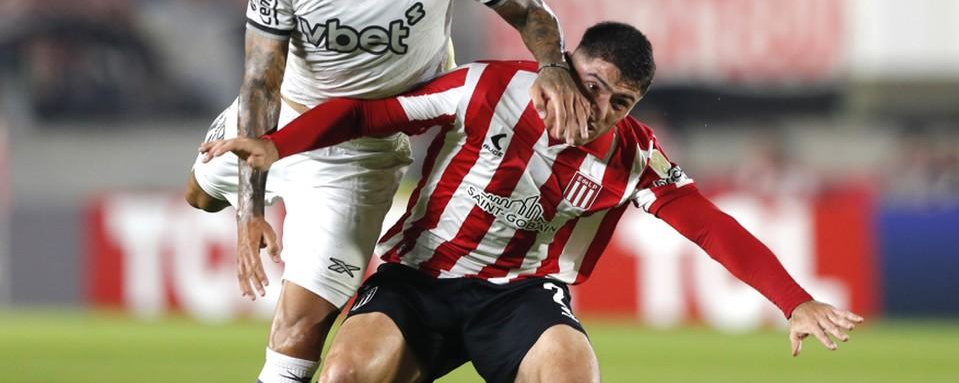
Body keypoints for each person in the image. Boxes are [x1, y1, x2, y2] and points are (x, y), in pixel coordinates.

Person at [201, 21, 864, 383]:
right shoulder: (488, 88)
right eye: (593, 85)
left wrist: (794, 301)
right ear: (565, 65)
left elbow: (710, 226)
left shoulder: (634, 154)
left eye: (621, 102)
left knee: (571, 375)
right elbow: (369, 114)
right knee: (345, 373)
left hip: (520, 295)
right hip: (419, 278)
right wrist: (278, 145)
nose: (600, 108)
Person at [184, 0, 590, 383]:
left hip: (360, 152)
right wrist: (251, 209)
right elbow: (260, 79)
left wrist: (552, 65)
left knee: (299, 326)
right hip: (280, 117)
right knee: (199, 198)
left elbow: (531, 12)